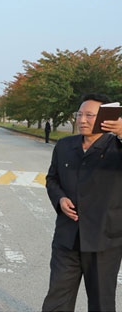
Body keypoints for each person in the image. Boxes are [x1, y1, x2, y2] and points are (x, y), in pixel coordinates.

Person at [42, 93, 122, 312]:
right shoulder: (65, 146)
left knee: (101, 304)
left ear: (106, 117)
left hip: (104, 240)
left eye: (90, 115)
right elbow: (52, 179)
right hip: (67, 238)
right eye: (80, 114)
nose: (82, 120)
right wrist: (60, 199)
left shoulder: (116, 147)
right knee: (56, 301)